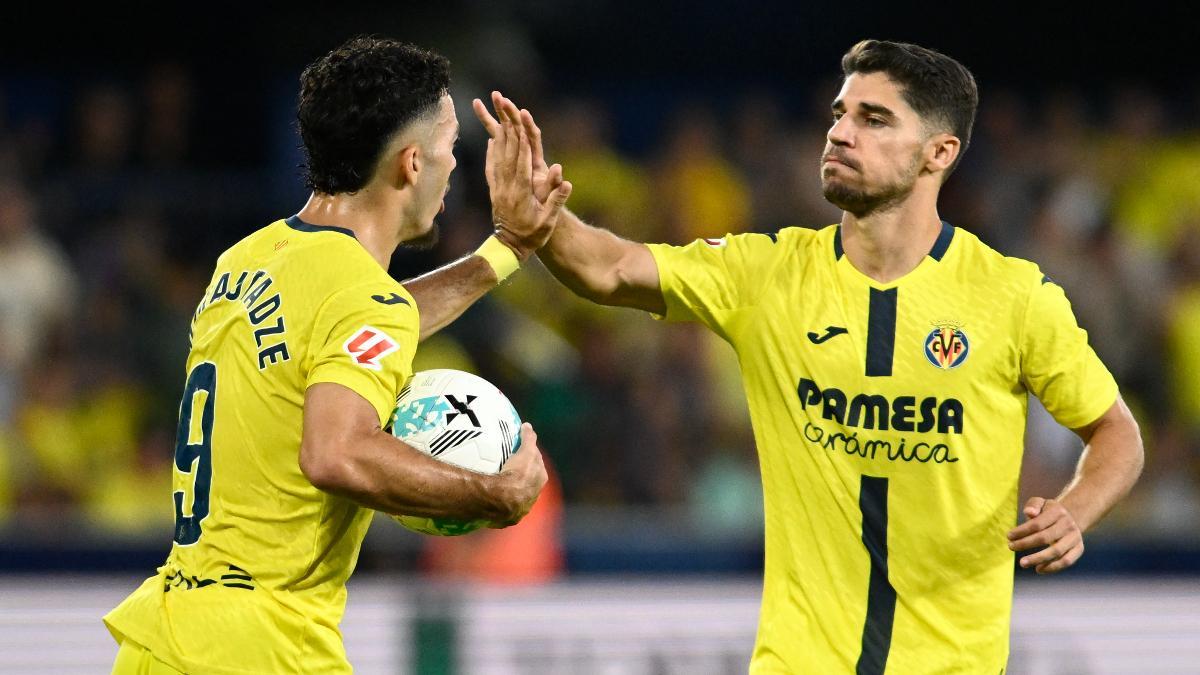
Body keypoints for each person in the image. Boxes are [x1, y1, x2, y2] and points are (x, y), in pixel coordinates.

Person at [481, 40, 1145, 673]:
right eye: (839, 113)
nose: (840, 132)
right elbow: (614, 268)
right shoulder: (767, 274)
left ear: (938, 153)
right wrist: (544, 220)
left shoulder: (1013, 296)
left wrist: (1074, 509)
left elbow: (1116, 431)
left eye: (874, 118)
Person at [103, 36, 571, 674]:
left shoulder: (248, 260)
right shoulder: (358, 297)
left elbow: (363, 329)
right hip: (265, 643)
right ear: (411, 164)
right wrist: (488, 495)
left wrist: (505, 250)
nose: (454, 168)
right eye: (450, 150)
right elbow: (335, 451)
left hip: (168, 635)